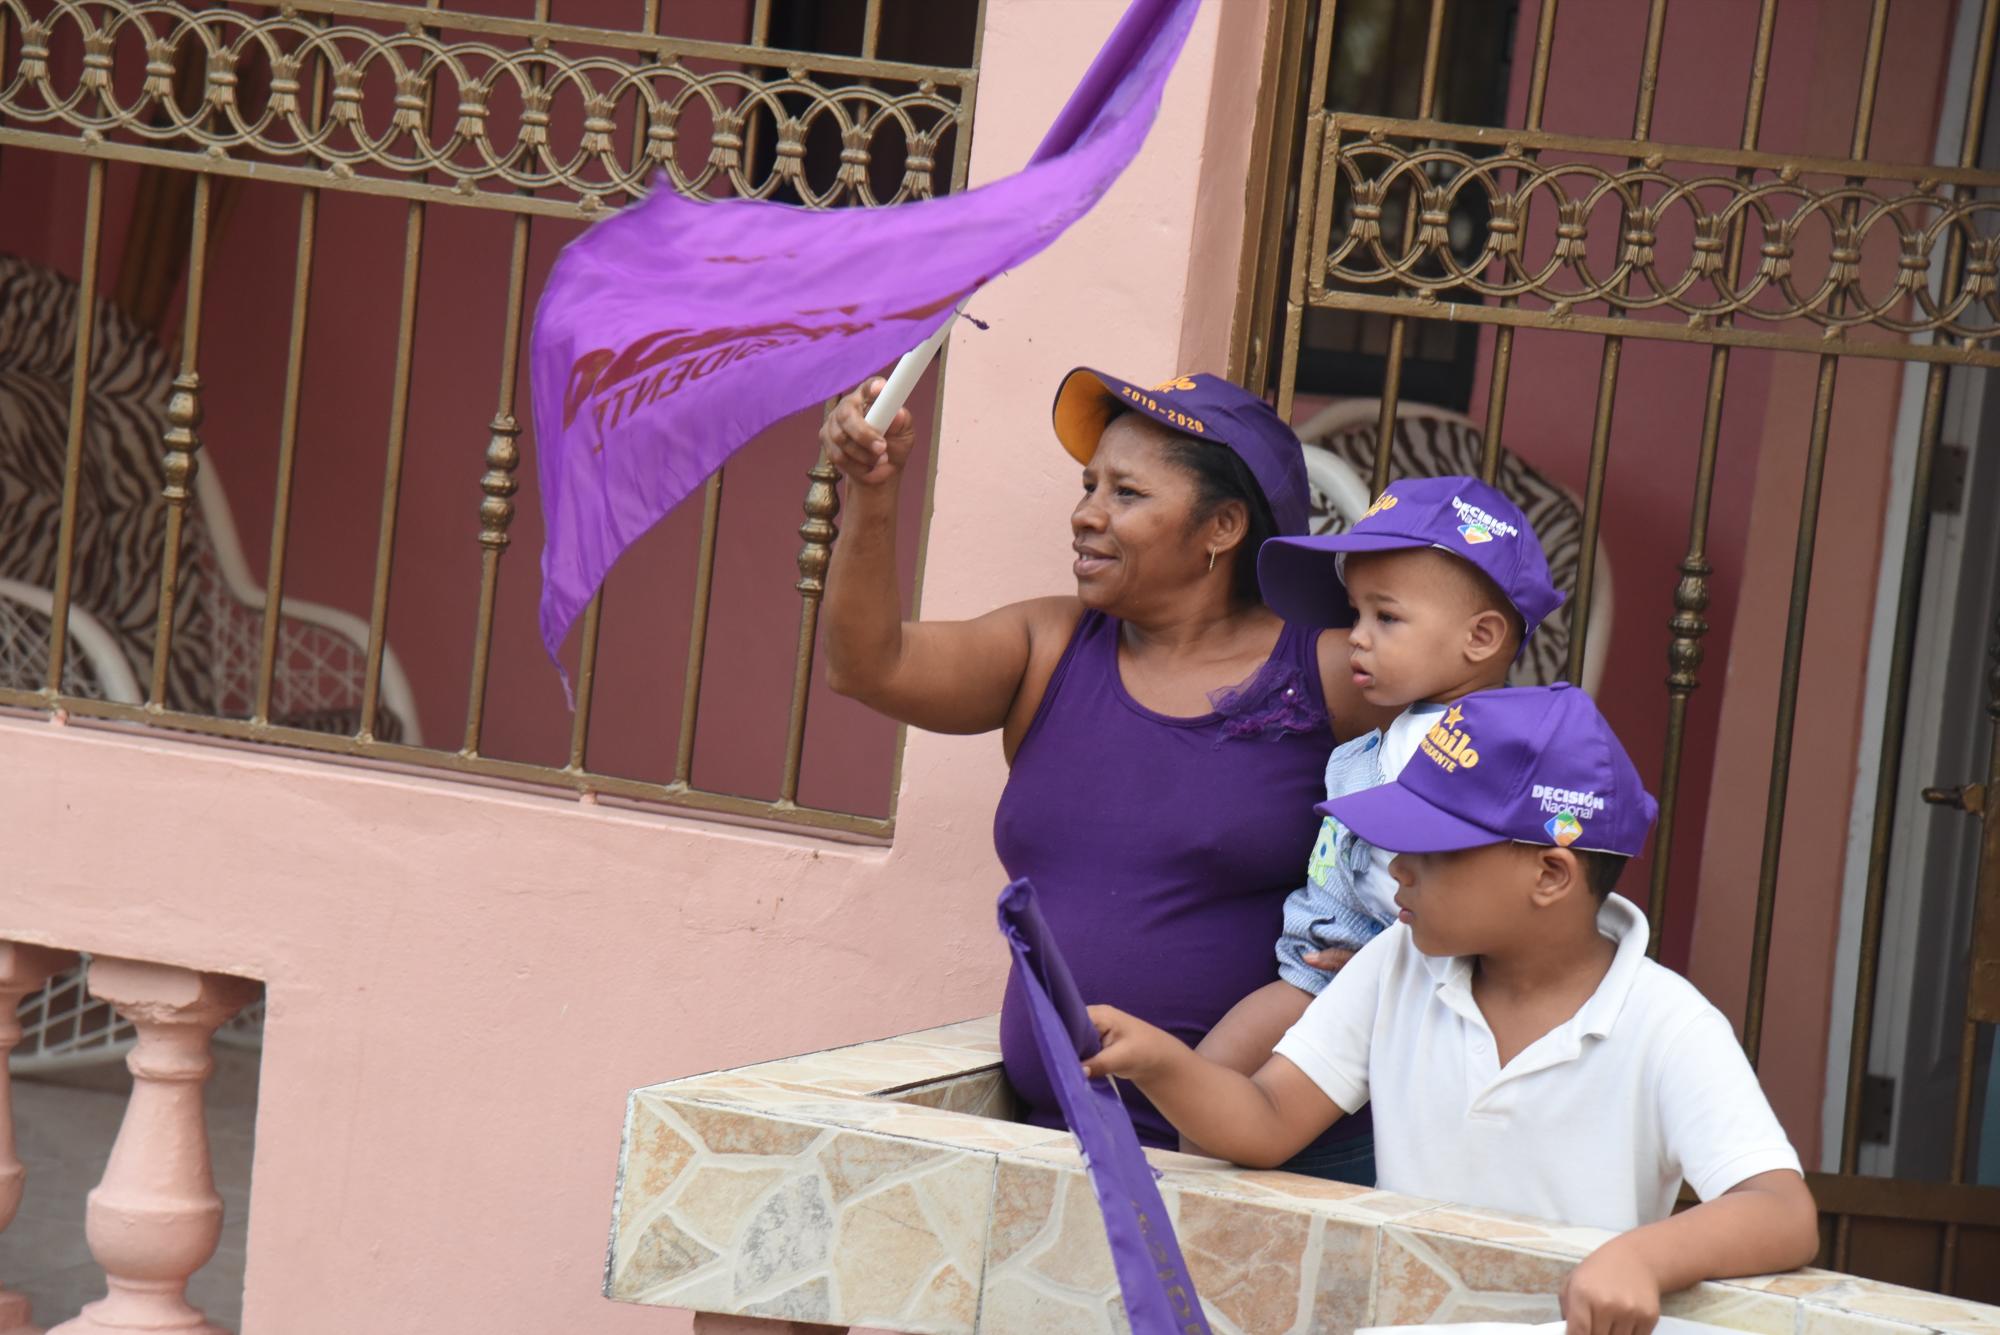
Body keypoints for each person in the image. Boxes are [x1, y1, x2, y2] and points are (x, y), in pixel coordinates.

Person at [1082, 684, 1820, 1335]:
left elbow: (1782, 1209)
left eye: (1430, 850)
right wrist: (1160, 1060)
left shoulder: (1667, 1024)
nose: (1396, 867)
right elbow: (1268, 1118)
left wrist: (1640, 1257)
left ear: (1551, 873)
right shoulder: (1397, 963)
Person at [819, 367, 1395, 1172]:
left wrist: (1403, 942)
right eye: (1089, 485)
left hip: (1261, 1169)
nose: (1085, 514)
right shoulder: (1048, 649)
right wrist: (874, 493)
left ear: (1222, 526)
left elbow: (1488, 781)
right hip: (1059, 1149)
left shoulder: (1331, 673)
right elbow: (869, 666)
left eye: (1126, 493)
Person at [1190, 477, 1564, 1141]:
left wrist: (1395, 963)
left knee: (1217, 1102)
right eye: (1354, 614)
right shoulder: (1399, 731)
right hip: (1321, 974)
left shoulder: (1479, 755)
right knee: (1207, 1099)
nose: (1355, 637)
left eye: (1385, 617)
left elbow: (1489, 902)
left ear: (1480, 637)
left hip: (1366, 986)